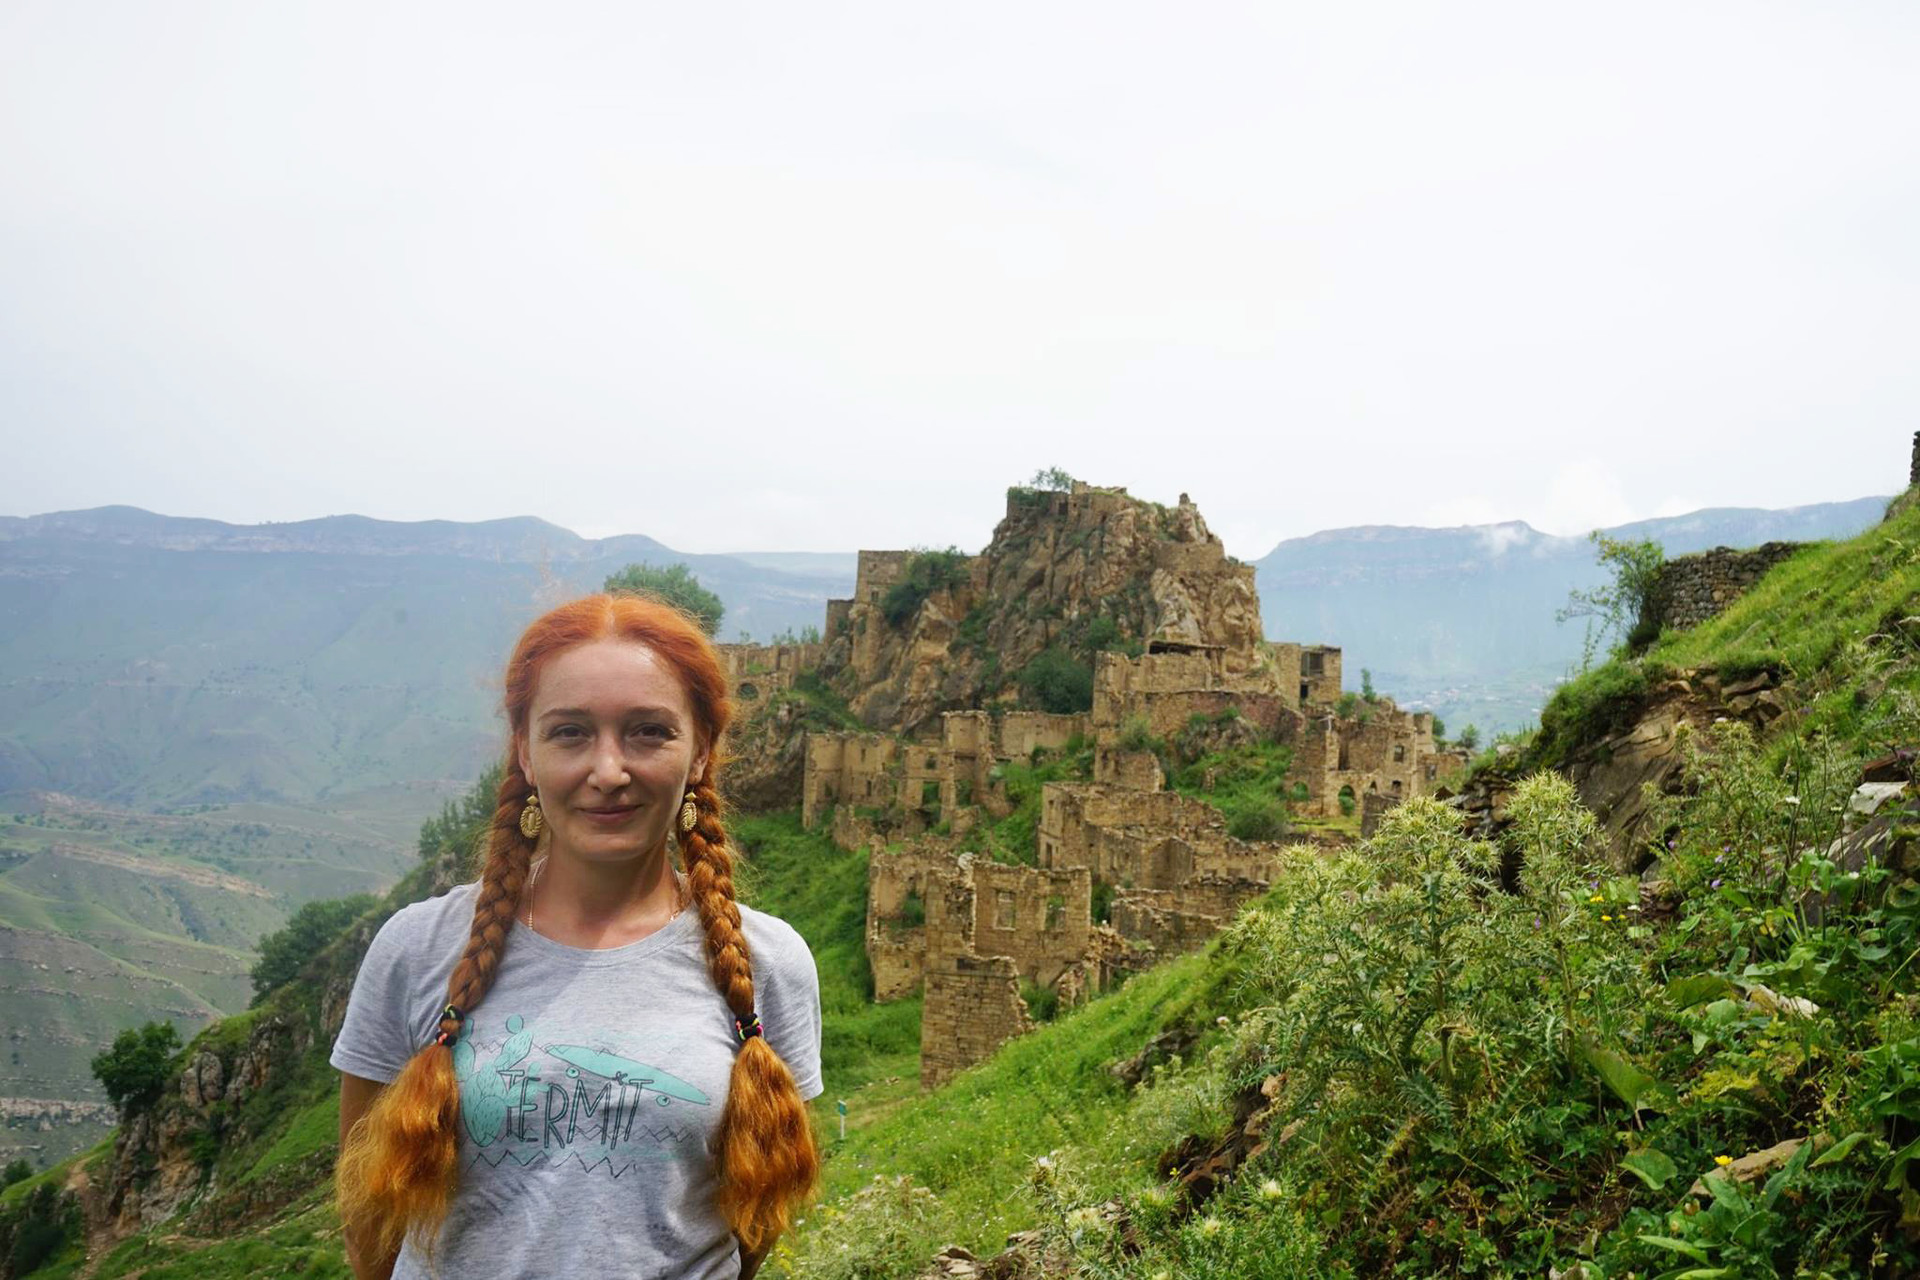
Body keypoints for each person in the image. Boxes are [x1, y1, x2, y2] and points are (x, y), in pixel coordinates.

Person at [330, 593, 822, 1279]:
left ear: (702, 751)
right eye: (570, 733)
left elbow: (755, 1211)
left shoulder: (770, 966)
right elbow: (371, 1218)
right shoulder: (416, 950)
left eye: (649, 731)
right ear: (524, 753)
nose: (609, 771)